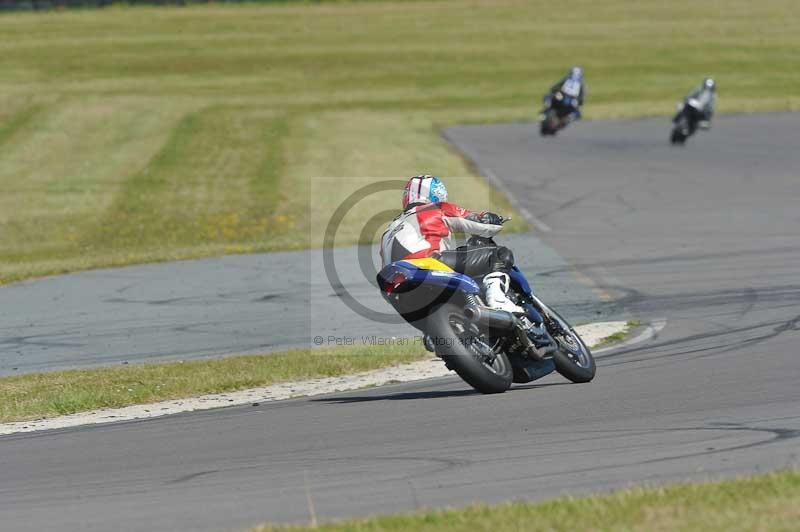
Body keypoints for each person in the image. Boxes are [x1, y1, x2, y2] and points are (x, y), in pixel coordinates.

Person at [380, 175, 524, 314]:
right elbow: (482, 224)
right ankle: (497, 299)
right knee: (499, 254)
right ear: (437, 194)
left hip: (398, 293)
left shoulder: (388, 230)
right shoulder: (436, 208)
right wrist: (492, 219)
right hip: (429, 265)